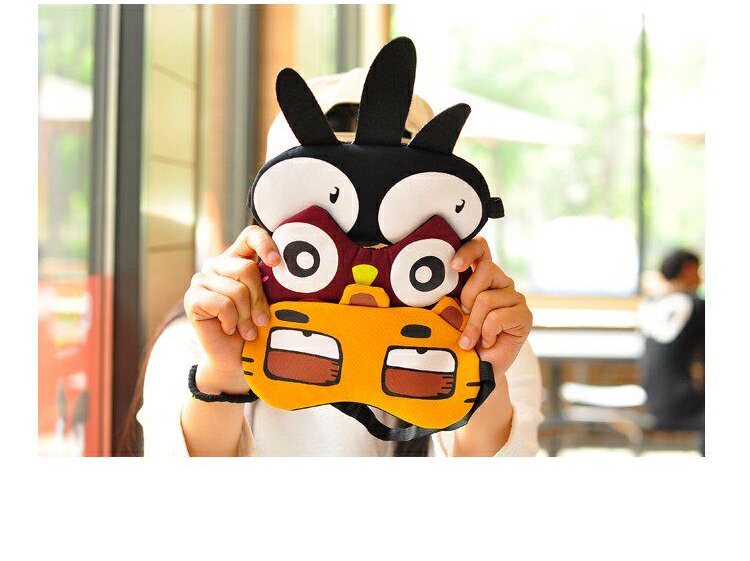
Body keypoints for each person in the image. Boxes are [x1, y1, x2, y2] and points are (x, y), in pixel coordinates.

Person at [137, 69, 543, 456]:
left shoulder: (486, 335)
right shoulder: (201, 336)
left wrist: (481, 373)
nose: (362, 255)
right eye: (321, 215)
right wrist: (224, 373)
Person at [639, 248, 705, 454]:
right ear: (688, 269)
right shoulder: (696, 306)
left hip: (651, 400)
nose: (701, 278)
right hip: (682, 403)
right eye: (698, 271)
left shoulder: (649, 303)